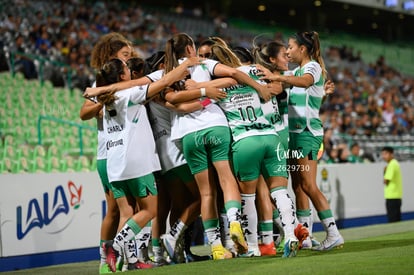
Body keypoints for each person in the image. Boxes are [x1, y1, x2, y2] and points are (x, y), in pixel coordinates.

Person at [88, 57, 199, 272]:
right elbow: (164, 82)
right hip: (136, 162)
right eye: (126, 70)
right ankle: (116, 245)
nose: (130, 72)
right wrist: (187, 64)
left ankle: (129, 262)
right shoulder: (129, 94)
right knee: (149, 210)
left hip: (114, 164)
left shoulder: (107, 99)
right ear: (122, 76)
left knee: (127, 213)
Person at [259, 31, 344, 251]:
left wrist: (278, 77)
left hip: (307, 136)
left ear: (302, 49)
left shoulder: (312, 67)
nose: (287, 51)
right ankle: (305, 236)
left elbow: (305, 83)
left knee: (308, 185)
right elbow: (285, 88)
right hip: (294, 136)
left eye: (290, 46)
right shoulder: (295, 71)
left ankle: (333, 233)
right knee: (298, 187)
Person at [79, 32, 134, 274]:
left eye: (130, 55)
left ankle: (127, 256)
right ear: (112, 58)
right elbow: (84, 112)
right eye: (125, 55)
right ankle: (106, 259)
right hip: (108, 153)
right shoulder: (100, 85)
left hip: (127, 151)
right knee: (115, 209)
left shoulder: (130, 83)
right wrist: (104, 102)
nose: (129, 59)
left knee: (128, 208)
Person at [381, 146, 403, 223]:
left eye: (385, 154)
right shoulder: (395, 163)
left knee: (393, 221)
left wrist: (384, 172)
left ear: (391, 154)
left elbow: (386, 181)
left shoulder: (391, 165)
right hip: (396, 196)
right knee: (397, 221)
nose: (384, 156)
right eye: (383, 154)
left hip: (392, 197)